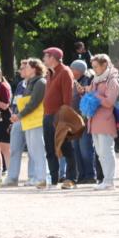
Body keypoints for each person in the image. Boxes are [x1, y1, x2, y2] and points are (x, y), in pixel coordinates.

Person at [41, 47, 77, 189]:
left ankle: (71, 178)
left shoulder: (65, 72)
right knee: (50, 149)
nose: (43, 59)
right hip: (48, 116)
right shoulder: (50, 73)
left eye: (45, 56)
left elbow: (68, 99)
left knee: (66, 147)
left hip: (59, 117)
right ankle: (53, 180)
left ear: (53, 58)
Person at [10, 58, 48, 187]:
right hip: (29, 121)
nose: (24, 69)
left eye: (28, 67)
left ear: (34, 68)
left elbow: (33, 103)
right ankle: (37, 177)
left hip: (36, 121)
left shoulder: (40, 82)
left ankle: (42, 177)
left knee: (38, 150)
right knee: (32, 150)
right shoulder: (30, 82)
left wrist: (19, 115)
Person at [86, 55, 119, 190]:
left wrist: (94, 95)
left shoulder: (112, 79)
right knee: (100, 153)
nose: (94, 70)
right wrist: (87, 92)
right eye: (93, 67)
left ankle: (109, 181)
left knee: (106, 151)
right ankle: (106, 180)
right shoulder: (96, 79)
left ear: (105, 64)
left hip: (106, 120)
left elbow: (109, 101)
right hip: (94, 120)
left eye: (96, 66)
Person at [69, 60, 98, 184]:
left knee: (85, 148)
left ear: (79, 70)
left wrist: (83, 92)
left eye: (72, 69)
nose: (70, 71)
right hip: (73, 119)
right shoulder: (71, 81)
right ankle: (81, 176)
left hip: (85, 119)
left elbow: (93, 99)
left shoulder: (88, 80)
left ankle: (90, 175)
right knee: (76, 148)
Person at [2, 60, 30, 187]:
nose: (20, 70)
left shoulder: (37, 83)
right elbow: (15, 102)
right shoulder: (20, 84)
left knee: (33, 151)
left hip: (30, 120)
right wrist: (13, 115)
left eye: (23, 68)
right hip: (17, 120)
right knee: (14, 149)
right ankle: (12, 177)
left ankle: (33, 176)